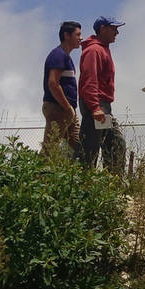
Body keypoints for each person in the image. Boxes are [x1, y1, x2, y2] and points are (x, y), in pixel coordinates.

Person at [78, 15, 126, 172]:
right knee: (90, 147)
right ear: (103, 29)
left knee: (115, 143)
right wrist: (95, 107)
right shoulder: (94, 51)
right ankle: (81, 184)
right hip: (97, 104)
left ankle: (111, 182)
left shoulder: (102, 49)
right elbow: (89, 80)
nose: (117, 33)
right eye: (114, 29)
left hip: (103, 105)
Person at [41, 21, 82, 157]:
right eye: (78, 34)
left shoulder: (67, 57)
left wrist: (70, 110)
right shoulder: (58, 55)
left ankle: (82, 175)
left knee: (80, 145)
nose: (80, 38)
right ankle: (37, 175)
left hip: (67, 110)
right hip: (58, 108)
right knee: (50, 148)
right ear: (67, 35)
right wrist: (67, 107)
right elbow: (53, 83)